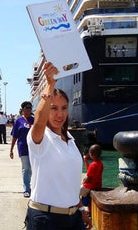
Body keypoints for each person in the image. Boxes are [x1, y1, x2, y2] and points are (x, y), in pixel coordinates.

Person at [25, 62, 87, 230]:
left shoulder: (70, 139)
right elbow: (38, 121)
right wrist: (51, 84)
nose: (60, 114)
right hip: (46, 219)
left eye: (64, 108)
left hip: (74, 218)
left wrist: (80, 207)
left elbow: (69, 180)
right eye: (53, 108)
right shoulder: (40, 138)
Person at [10, 101, 34, 198]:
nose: (29, 109)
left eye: (30, 108)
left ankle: (33, 187)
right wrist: (11, 149)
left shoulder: (34, 120)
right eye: (27, 108)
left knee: (33, 169)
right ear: (23, 109)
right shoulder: (18, 121)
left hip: (34, 148)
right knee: (26, 168)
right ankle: (26, 189)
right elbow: (15, 136)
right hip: (23, 147)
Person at [80, 144, 103, 209]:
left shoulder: (93, 165)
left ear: (91, 154)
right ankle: (87, 208)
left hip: (90, 186)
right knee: (84, 194)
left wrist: (83, 182)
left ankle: (80, 209)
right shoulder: (100, 163)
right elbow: (89, 171)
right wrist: (85, 160)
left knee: (75, 192)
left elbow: (88, 178)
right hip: (97, 185)